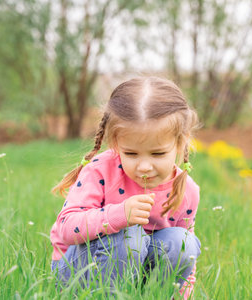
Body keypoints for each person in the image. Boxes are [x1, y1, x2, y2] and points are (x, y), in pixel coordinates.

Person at [49, 76, 201, 299]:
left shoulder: (185, 190)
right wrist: (120, 214)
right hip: (78, 272)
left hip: (136, 270)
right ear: (116, 143)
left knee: (182, 244)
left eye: (158, 153)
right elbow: (66, 228)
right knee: (131, 238)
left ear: (180, 142)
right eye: (131, 153)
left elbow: (188, 257)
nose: (145, 166)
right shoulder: (101, 171)